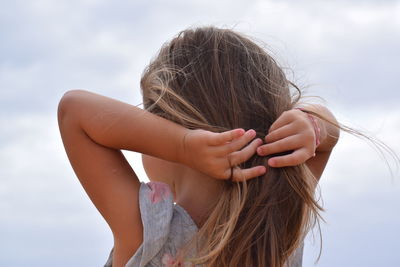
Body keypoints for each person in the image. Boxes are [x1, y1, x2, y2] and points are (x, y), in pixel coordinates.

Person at [58, 27, 340, 267]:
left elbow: (74, 111)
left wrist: (181, 145)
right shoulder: (280, 221)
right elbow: (331, 135)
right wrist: (310, 125)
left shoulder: (152, 233)